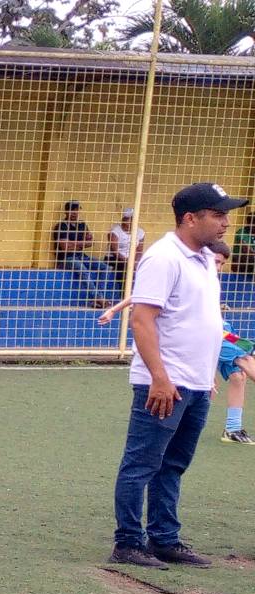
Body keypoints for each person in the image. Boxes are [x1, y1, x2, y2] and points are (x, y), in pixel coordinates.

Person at [108, 182, 246, 568]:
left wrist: (207, 374)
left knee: (173, 464)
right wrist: (159, 378)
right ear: (190, 218)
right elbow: (142, 320)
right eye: (217, 215)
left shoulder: (204, 258)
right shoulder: (163, 257)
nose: (225, 223)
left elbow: (200, 321)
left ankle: (164, 538)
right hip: (166, 383)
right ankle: (128, 543)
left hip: (196, 383)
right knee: (142, 463)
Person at [53, 200, 114, 308]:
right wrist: (82, 243)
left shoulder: (82, 225)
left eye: (77, 210)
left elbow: (91, 242)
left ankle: (97, 300)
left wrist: (74, 243)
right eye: (72, 210)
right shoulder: (61, 226)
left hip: (81, 256)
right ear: (66, 211)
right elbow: (65, 248)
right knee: (83, 270)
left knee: (106, 268)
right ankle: (99, 298)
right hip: (66, 259)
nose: (75, 213)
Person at [217, 328, 254, 445]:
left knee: (238, 376)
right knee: (245, 360)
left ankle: (232, 430)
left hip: (222, 329)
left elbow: (233, 339)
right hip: (203, 328)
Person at [108, 208, 145, 289]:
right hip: (116, 259)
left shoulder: (140, 232)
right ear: (123, 220)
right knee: (127, 273)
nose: (131, 221)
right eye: (128, 219)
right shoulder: (115, 231)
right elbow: (115, 251)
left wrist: (135, 263)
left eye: (133, 219)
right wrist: (128, 262)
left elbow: (139, 251)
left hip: (132, 260)